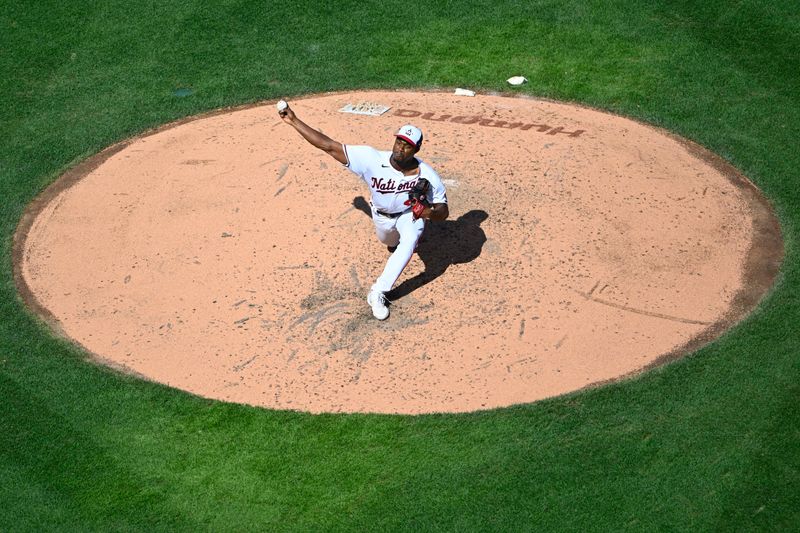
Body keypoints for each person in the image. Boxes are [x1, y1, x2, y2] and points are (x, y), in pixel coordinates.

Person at [278, 101, 449, 320]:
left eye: (407, 145)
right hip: (381, 218)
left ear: (416, 149)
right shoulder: (372, 159)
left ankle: (378, 292)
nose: (400, 148)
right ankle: (393, 243)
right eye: (399, 141)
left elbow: (443, 212)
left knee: (411, 239)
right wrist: (293, 120)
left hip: (408, 216)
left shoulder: (427, 175)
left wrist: (425, 212)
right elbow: (329, 146)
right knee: (389, 241)